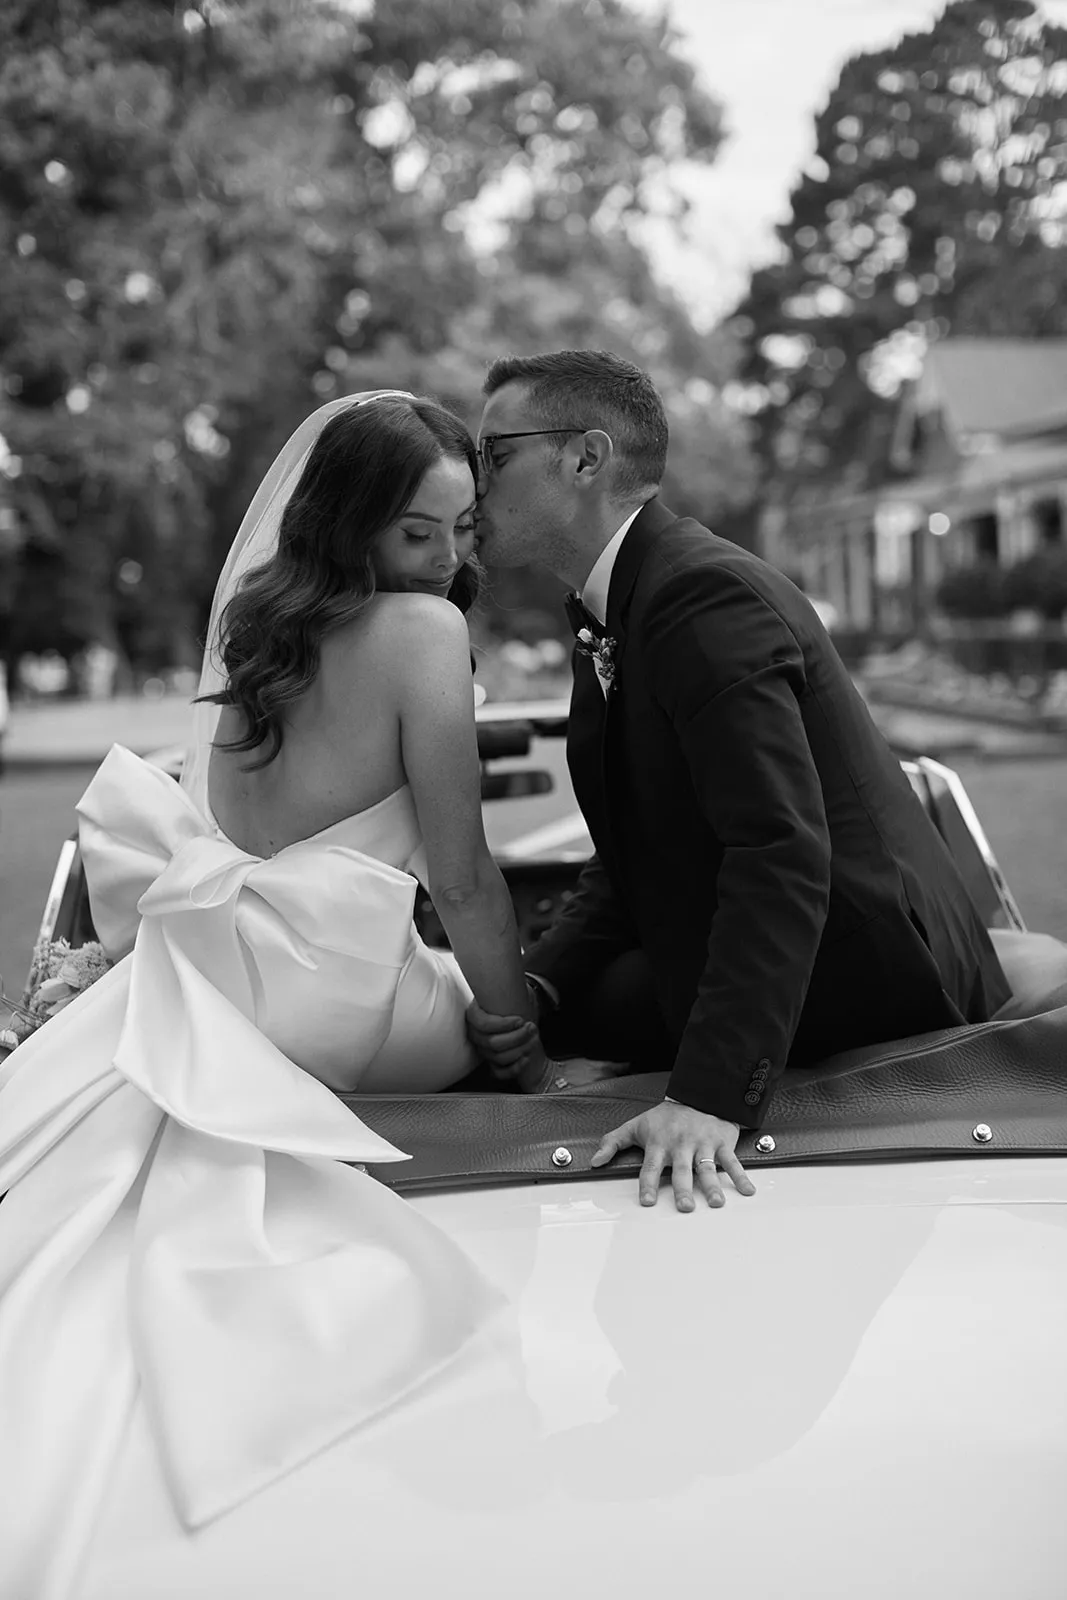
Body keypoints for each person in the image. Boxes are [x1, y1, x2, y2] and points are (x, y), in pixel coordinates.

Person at [0, 391, 544, 1596]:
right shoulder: (422, 636)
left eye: (459, 531)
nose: (446, 560)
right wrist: (522, 1044)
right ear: (353, 524)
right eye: (418, 532)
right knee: (481, 988)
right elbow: (459, 874)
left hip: (213, 973)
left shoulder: (259, 620)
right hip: (337, 1003)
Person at [468, 349, 1012, 1213]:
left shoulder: (700, 598)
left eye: (492, 453)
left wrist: (710, 1097)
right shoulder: (613, 610)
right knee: (532, 1027)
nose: (471, 478)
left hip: (866, 977)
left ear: (585, 458)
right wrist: (539, 989)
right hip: (757, 946)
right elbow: (632, 854)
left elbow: (779, 848)